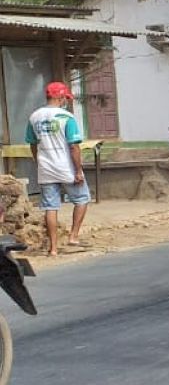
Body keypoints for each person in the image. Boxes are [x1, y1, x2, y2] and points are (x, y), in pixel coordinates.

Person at [26, 82, 89, 256]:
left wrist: (39, 162)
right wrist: (78, 171)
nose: (65, 101)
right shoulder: (66, 117)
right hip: (66, 167)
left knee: (50, 207)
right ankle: (73, 236)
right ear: (59, 97)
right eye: (64, 98)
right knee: (82, 198)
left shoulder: (34, 117)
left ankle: (53, 248)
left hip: (46, 168)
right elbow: (74, 147)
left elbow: (32, 144)